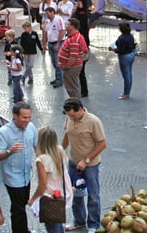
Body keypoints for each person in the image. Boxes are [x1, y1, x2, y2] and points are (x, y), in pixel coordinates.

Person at [62, 98, 107, 232]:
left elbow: (102, 144)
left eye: (73, 115)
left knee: (93, 195)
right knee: (75, 193)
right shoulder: (70, 118)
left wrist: (86, 160)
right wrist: (60, 150)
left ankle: (94, 224)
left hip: (90, 165)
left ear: (81, 109)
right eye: (69, 115)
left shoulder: (93, 121)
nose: (71, 118)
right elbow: (67, 135)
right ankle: (79, 221)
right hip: (73, 162)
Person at [0, 103, 39, 233]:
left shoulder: (31, 127)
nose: (28, 120)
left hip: (26, 176)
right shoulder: (4, 132)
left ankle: (22, 229)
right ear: (15, 116)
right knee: (18, 208)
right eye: (24, 117)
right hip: (12, 177)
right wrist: (10, 151)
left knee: (22, 204)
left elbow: (37, 146)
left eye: (29, 117)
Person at [28, 126, 73, 233]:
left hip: (49, 197)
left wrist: (32, 199)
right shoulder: (60, 151)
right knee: (58, 225)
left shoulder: (41, 159)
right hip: (61, 193)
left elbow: (43, 184)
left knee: (53, 227)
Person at [58, 18, 88, 98]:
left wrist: (67, 67)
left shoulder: (74, 39)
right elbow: (84, 49)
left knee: (72, 88)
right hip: (74, 65)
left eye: (68, 24)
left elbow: (73, 56)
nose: (66, 26)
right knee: (73, 85)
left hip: (72, 67)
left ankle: (75, 106)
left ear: (73, 26)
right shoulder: (77, 36)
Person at [108, 22, 136, 100]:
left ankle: (126, 93)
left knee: (126, 75)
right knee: (129, 74)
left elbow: (121, 50)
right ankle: (128, 91)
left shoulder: (121, 38)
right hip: (131, 55)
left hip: (124, 57)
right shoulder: (130, 36)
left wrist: (113, 49)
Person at [43, 7, 66, 88]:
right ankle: (57, 77)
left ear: (52, 12)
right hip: (50, 42)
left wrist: (58, 43)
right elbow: (45, 32)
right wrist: (44, 43)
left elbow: (62, 30)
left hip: (58, 42)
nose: (47, 15)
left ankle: (60, 79)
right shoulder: (47, 21)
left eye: (48, 13)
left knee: (58, 62)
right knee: (53, 62)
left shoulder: (59, 19)